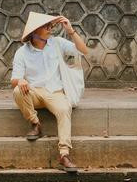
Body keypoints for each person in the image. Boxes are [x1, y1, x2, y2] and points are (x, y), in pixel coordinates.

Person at [11, 11, 89, 173]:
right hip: (34, 93)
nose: (50, 28)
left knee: (64, 109)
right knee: (18, 90)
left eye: (51, 25)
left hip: (55, 92)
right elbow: (14, 80)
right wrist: (21, 80)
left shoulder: (57, 43)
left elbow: (83, 51)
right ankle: (35, 124)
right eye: (46, 26)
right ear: (34, 32)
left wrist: (70, 31)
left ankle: (64, 155)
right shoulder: (22, 52)